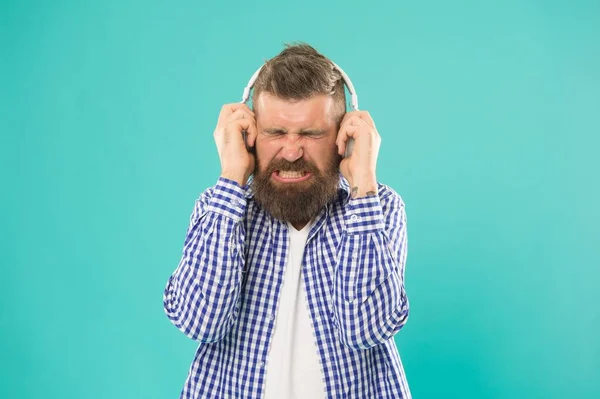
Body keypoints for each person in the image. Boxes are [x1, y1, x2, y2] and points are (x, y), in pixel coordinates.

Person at [163, 43, 411, 399]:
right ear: (250, 136)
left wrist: (363, 184)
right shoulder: (219, 208)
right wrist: (232, 174)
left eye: (311, 135)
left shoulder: (378, 208)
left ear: (344, 137)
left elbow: (365, 329)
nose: (292, 151)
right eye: (276, 133)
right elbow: (200, 320)